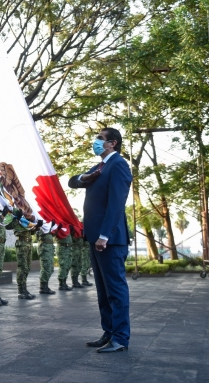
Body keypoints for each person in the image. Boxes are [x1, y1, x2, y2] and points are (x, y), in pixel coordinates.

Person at [68, 127, 132, 353]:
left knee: (115, 290)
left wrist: (105, 235)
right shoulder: (99, 167)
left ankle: (121, 338)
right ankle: (109, 332)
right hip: (94, 237)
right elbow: (72, 182)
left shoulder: (119, 165)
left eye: (100, 139)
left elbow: (116, 203)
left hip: (109, 240)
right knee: (103, 291)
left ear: (112, 143)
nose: (95, 142)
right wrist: (86, 177)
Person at [12, 210, 42, 300]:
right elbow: (15, 226)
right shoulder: (16, 216)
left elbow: (30, 232)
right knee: (22, 267)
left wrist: (37, 227)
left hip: (28, 244)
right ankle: (21, 291)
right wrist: (17, 217)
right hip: (21, 243)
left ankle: (24, 289)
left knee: (27, 267)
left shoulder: (26, 219)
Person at [36, 220, 56, 295]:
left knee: (50, 268)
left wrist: (52, 227)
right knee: (46, 268)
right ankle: (43, 287)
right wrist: (49, 226)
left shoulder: (48, 227)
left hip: (49, 249)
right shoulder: (42, 225)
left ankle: (45, 286)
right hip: (44, 249)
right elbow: (38, 234)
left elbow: (53, 235)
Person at [55, 224, 73, 291]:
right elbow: (54, 234)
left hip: (68, 248)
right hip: (62, 248)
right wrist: (58, 228)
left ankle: (64, 282)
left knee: (67, 265)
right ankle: (61, 284)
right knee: (63, 265)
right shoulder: (58, 225)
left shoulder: (67, 225)